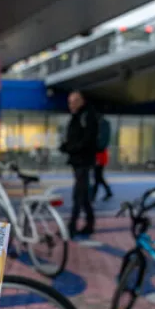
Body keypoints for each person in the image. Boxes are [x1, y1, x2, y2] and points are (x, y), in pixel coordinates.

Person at [60, 90, 98, 236]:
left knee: (78, 194)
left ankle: (72, 226)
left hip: (83, 160)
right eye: (70, 102)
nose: (71, 105)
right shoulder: (77, 117)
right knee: (83, 194)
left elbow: (87, 140)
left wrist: (71, 148)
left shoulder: (87, 116)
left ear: (82, 101)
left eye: (74, 101)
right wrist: (67, 146)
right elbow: (75, 138)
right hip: (77, 160)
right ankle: (89, 223)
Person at [92, 114, 113, 202]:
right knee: (98, 176)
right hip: (99, 154)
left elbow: (101, 142)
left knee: (97, 176)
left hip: (99, 155)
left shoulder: (102, 125)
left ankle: (93, 195)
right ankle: (107, 192)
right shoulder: (102, 124)